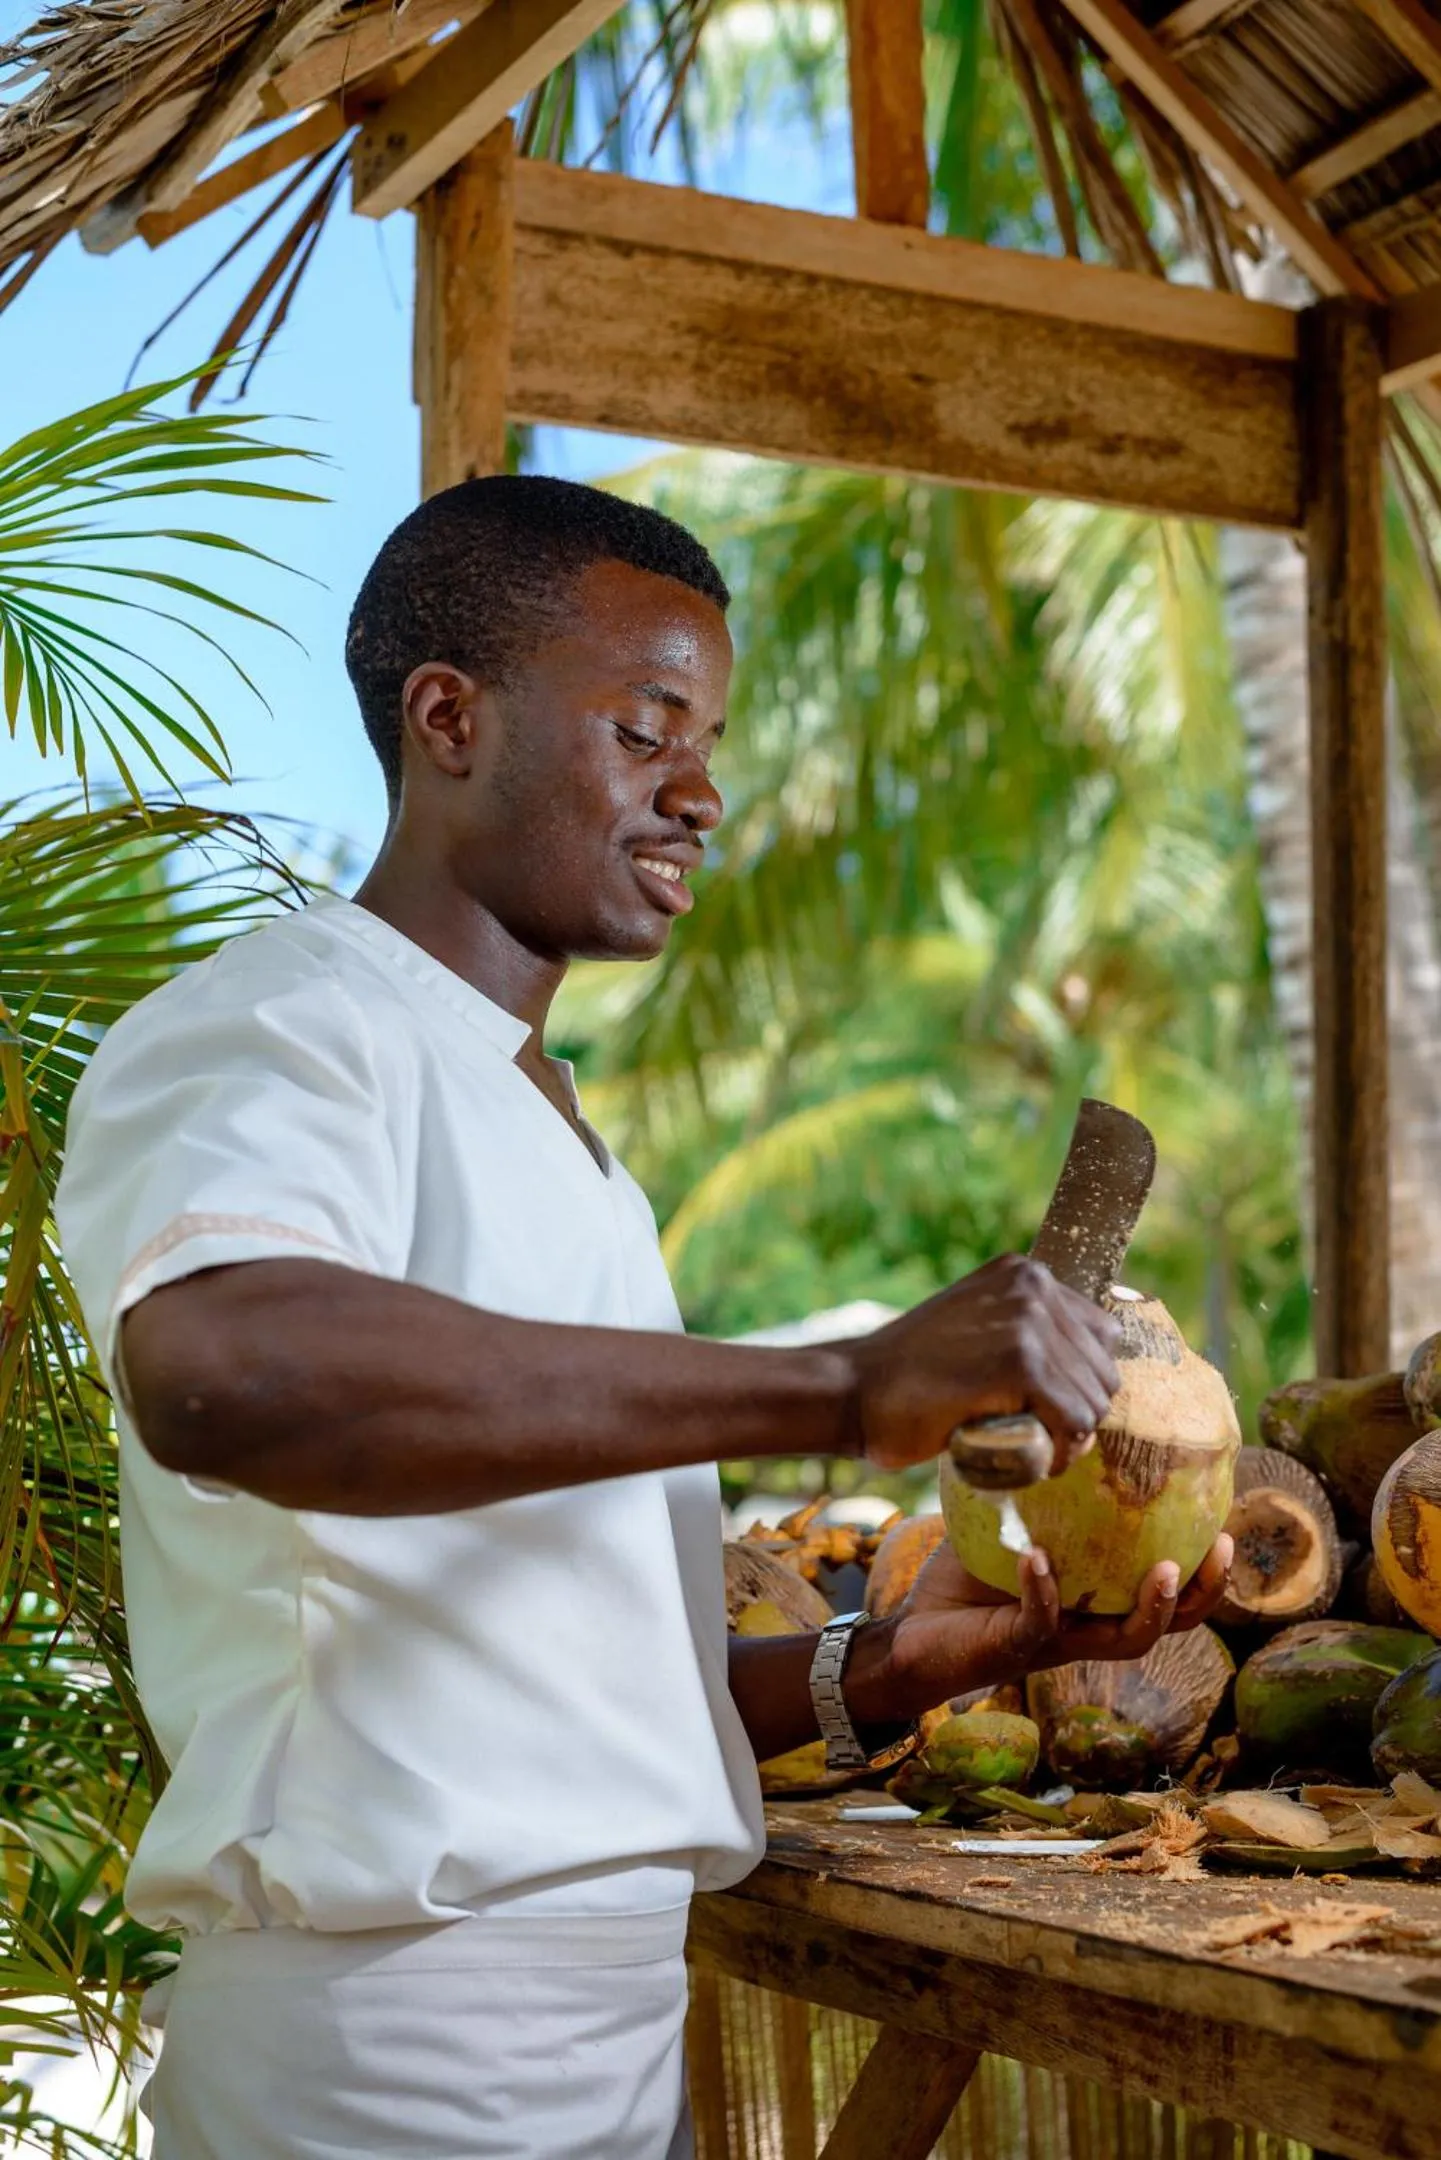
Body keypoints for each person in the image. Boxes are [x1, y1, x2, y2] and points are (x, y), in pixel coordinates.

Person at [56, 476, 1231, 2159]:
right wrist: (838, 1382)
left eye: (714, 737)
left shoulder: (555, 1133)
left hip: (604, 2037)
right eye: (648, 727)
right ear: (448, 718)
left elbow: (566, 1678)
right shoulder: (284, 1023)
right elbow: (226, 1373)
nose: (706, 791)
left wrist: (915, 1661)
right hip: (389, 2054)